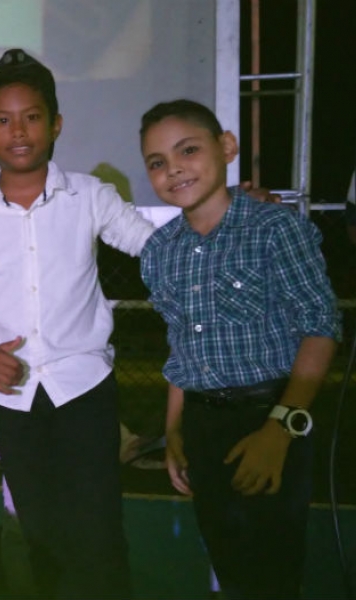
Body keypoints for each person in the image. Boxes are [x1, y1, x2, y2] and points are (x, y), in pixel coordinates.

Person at [0, 49, 153, 599]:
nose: (19, 132)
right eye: (3, 121)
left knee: (100, 534)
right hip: (12, 397)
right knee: (40, 538)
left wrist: (226, 213)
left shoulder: (90, 197)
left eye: (31, 117)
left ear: (56, 124)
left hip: (84, 387)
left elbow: (154, 246)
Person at [138, 99, 339, 599]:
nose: (174, 169)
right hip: (203, 426)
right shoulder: (161, 252)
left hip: (270, 416)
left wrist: (280, 429)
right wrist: (174, 430)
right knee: (228, 561)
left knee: (271, 571)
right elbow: (181, 345)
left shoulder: (275, 228)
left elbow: (321, 328)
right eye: (158, 162)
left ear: (226, 147)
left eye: (188, 150)